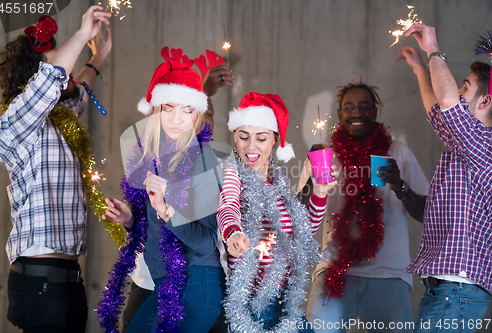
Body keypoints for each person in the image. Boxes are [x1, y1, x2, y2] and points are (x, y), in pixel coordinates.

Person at [0, 7, 111, 333]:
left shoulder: (55, 121)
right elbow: (52, 79)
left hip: (67, 284)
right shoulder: (16, 122)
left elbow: (79, 91)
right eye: (60, 60)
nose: (68, 70)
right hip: (40, 284)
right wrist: (83, 32)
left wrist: (99, 57)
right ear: (35, 75)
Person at [99, 60, 225, 333]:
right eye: (168, 109)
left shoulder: (203, 159)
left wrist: (166, 209)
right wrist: (130, 218)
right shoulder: (154, 159)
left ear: (198, 114)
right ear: (156, 111)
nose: (176, 119)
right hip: (166, 284)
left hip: (197, 284)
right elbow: (155, 227)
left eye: (187, 110)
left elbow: (205, 242)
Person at [301, 79, 429, 333]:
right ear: (339, 114)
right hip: (335, 271)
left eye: (363, 106)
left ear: (375, 111)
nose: (356, 113)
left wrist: (400, 186)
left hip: (389, 276)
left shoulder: (397, 152)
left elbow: (427, 212)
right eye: (348, 107)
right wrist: (310, 183)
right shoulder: (324, 155)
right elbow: (299, 217)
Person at [396, 23, 492, 333]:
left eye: (465, 86)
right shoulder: (464, 141)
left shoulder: (484, 142)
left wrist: (434, 48)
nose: (457, 91)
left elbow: (449, 103)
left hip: (457, 292)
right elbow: (438, 107)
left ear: (485, 102)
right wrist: (421, 70)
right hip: (450, 292)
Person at [217, 92, 337, 333]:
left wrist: (320, 192)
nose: (251, 147)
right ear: (234, 137)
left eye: (260, 138)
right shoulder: (232, 173)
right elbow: (228, 205)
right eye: (243, 137)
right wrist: (233, 233)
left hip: (285, 304)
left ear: (275, 140)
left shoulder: (278, 184)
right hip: (252, 304)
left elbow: (305, 232)